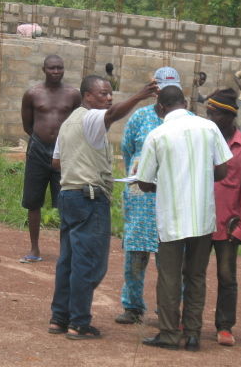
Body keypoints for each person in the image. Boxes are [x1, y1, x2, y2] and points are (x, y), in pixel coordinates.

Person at [48, 75, 159, 340]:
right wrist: (140, 95)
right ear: (87, 96)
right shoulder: (90, 117)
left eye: (110, 94)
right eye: (103, 94)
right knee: (91, 263)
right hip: (89, 199)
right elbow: (112, 114)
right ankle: (79, 322)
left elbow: (56, 162)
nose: (108, 99)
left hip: (69, 195)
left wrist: (80, 164)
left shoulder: (68, 123)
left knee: (69, 261)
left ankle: (59, 318)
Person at [136, 86, 233, 351]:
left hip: (172, 217)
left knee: (169, 276)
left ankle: (168, 333)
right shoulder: (208, 128)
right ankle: (192, 335)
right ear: (185, 103)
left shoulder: (157, 135)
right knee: (196, 275)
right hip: (202, 216)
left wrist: (162, 183)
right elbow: (223, 170)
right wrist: (198, 179)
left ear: (160, 107)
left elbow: (144, 183)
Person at [114, 67, 183, 325]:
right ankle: (132, 306)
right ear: (154, 91)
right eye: (159, 89)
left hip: (172, 197)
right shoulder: (140, 117)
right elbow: (128, 150)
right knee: (135, 252)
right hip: (140, 197)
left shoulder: (184, 121)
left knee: (172, 256)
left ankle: (168, 307)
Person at [205, 88, 241, 347]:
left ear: (228, 116)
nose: (209, 118)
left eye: (213, 114)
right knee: (192, 273)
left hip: (228, 225)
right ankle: (189, 319)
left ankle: (225, 326)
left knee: (227, 276)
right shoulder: (202, 139)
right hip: (199, 220)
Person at [19, 55, 81, 263]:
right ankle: (34, 248)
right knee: (33, 201)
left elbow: (77, 121)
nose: (56, 72)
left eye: (60, 68)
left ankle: (66, 250)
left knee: (65, 200)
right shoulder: (33, 94)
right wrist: (41, 140)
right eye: (52, 68)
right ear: (43, 69)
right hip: (38, 150)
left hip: (64, 153)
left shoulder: (73, 95)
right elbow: (27, 125)